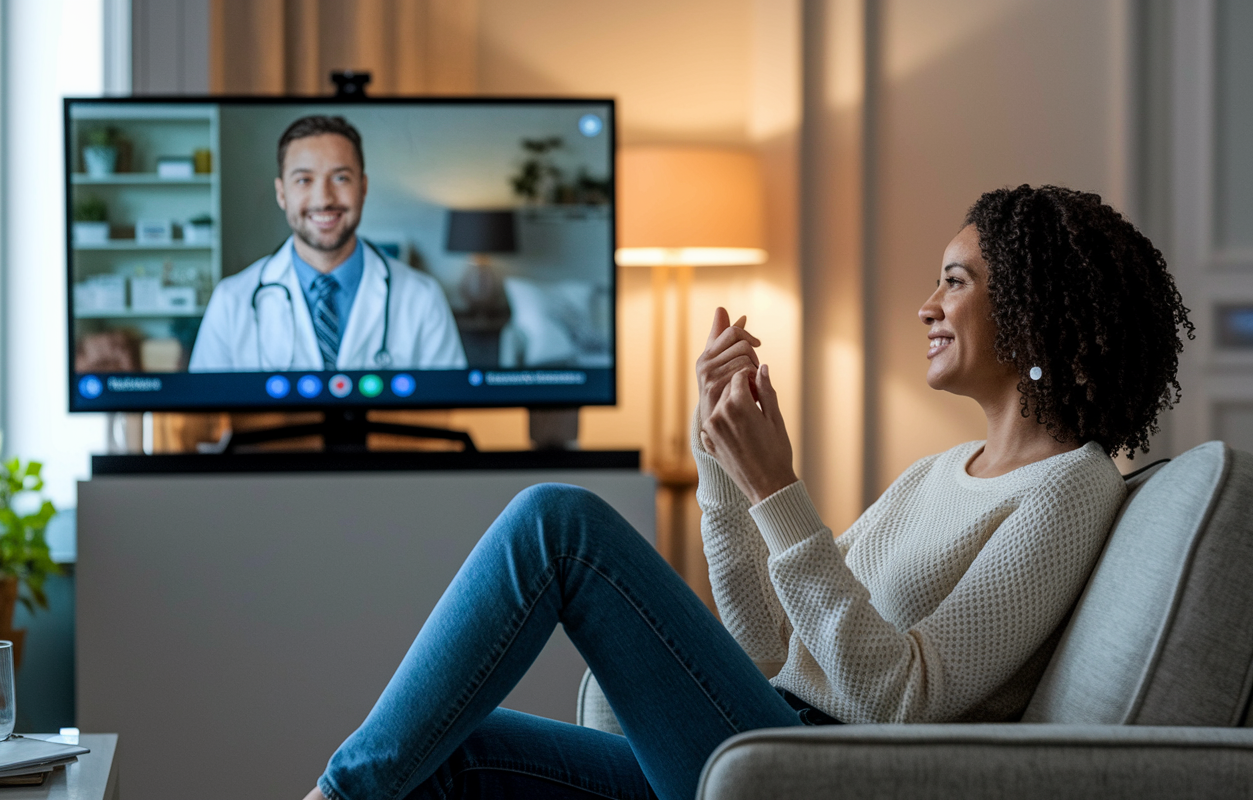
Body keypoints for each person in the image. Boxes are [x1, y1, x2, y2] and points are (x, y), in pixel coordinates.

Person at [302, 185, 1194, 800]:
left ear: (1035, 314)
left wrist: (778, 487)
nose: (926, 304)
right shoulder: (939, 473)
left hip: (812, 775)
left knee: (559, 527)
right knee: (453, 757)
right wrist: (732, 475)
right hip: (763, 737)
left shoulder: (1070, 488)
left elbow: (898, 704)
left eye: (954, 282)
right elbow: (767, 650)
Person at [189, 116, 467, 372]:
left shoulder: (422, 298)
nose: (323, 199)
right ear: (281, 193)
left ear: (363, 187)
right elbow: (204, 419)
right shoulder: (231, 302)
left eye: (340, 178)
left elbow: (450, 412)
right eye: (304, 180)